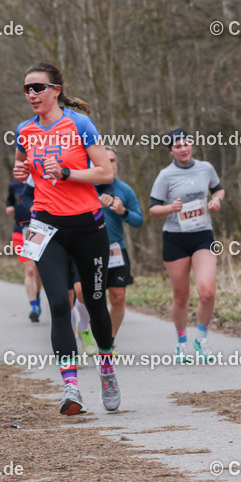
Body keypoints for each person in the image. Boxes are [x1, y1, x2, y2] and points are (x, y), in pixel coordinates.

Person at [13, 62, 118, 415]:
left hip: (88, 227)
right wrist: (22, 172)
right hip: (45, 227)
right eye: (26, 89)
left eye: (38, 87)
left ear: (56, 89)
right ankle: (70, 386)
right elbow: (24, 171)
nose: (31, 95)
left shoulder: (79, 123)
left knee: (94, 302)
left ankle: (106, 366)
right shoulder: (24, 131)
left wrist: (70, 172)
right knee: (59, 303)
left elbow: (105, 171)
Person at [148, 129, 225, 362]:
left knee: (208, 291)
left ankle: (201, 339)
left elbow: (218, 189)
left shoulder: (205, 168)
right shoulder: (165, 175)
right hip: (175, 239)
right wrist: (171, 208)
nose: (183, 148)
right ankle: (182, 343)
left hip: (202, 235)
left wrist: (216, 200)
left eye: (186, 143)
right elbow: (152, 209)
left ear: (192, 145)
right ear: (171, 150)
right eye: (178, 145)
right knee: (181, 296)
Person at [97, 146, 143, 343]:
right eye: (105, 160)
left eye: (113, 160)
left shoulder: (124, 190)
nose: (109, 164)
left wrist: (123, 211)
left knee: (118, 297)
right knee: (89, 297)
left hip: (116, 249)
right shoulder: (86, 187)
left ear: (117, 164)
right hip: (89, 250)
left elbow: (139, 221)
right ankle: (86, 329)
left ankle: (109, 340)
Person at [7, 177, 42, 322]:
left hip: (38, 229)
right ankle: (33, 306)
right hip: (20, 230)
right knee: (30, 270)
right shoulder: (13, 185)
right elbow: (9, 201)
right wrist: (8, 208)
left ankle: (37, 298)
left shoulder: (38, 180)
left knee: (38, 271)